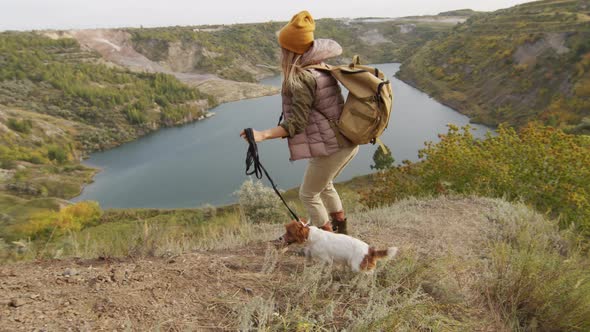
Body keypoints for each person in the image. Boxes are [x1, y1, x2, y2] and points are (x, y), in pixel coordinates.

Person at [240, 10, 359, 234]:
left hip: (332, 147)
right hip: (347, 141)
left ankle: (329, 243)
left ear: (289, 50)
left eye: (282, 47)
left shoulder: (302, 78)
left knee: (308, 194)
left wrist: (262, 135)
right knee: (326, 186)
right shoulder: (320, 68)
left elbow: (297, 124)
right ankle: (341, 233)